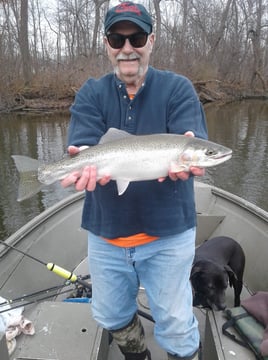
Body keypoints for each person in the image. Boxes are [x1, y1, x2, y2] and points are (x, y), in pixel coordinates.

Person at [61, 2, 207, 359]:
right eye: (117, 38)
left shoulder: (178, 89)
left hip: (169, 235)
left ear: (151, 41)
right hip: (106, 233)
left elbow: (193, 137)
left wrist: (190, 153)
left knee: (175, 321)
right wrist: (80, 160)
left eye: (136, 37)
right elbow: (82, 145)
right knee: (111, 314)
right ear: (107, 44)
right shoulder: (91, 93)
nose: (127, 47)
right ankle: (137, 355)